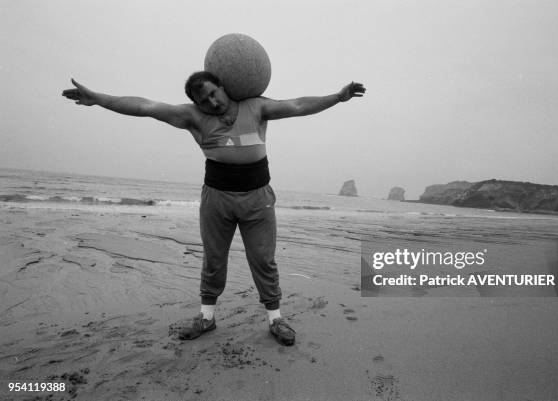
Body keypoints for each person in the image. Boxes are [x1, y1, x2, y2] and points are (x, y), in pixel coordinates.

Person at [62, 72, 365, 346]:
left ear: (223, 85)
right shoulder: (193, 117)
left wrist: (338, 97)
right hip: (217, 200)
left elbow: (298, 105)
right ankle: (207, 318)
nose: (211, 102)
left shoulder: (256, 107)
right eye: (203, 100)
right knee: (214, 259)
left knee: (263, 260)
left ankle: (275, 319)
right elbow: (144, 106)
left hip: (258, 199)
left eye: (212, 93)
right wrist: (98, 99)